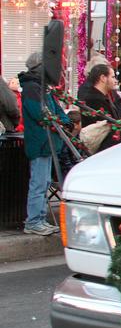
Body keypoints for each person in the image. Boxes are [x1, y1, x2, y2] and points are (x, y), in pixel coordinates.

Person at [19, 51, 69, 236]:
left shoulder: (42, 87)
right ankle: (34, 221)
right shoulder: (33, 88)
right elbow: (40, 113)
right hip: (40, 142)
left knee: (44, 182)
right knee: (39, 183)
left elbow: (55, 109)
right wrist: (59, 120)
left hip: (47, 142)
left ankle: (39, 218)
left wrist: (63, 119)